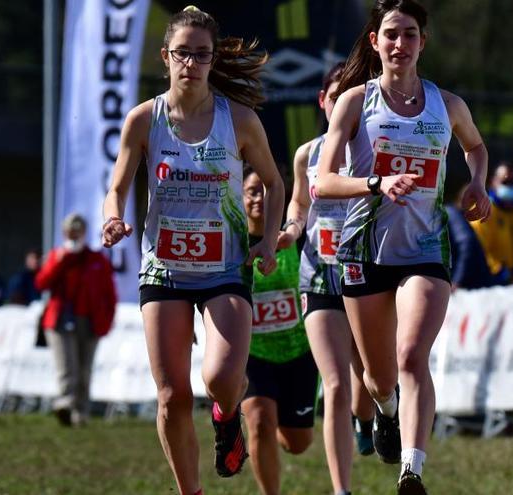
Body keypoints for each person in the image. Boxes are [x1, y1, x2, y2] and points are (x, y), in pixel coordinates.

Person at [100, 6, 284, 494]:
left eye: (201, 55)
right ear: (166, 57)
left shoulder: (238, 120)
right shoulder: (145, 119)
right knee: (171, 396)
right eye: (182, 53)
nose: (191, 63)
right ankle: (191, 491)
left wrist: (267, 239)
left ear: (211, 60)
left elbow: (272, 180)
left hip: (224, 265)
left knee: (223, 377)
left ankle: (227, 417)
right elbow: (116, 185)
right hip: (163, 269)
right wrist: (112, 216)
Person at [314, 1, 491, 493]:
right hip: (364, 250)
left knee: (413, 354)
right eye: (391, 34)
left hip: (424, 249)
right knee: (377, 376)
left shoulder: (447, 104)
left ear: (422, 43)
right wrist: (376, 182)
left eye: (410, 34)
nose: (400, 44)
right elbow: (323, 182)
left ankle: (411, 469)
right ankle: (385, 412)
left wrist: (478, 184)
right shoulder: (354, 102)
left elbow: (475, 146)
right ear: (375, 42)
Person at [276, 62, 376, 495]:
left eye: (352, 97)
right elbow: (299, 205)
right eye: (336, 97)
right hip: (319, 278)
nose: (342, 106)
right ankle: (341, 490)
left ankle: (371, 416)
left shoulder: (377, 150)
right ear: (324, 102)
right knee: (333, 384)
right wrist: (291, 230)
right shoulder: (308, 154)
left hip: (367, 276)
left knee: (372, 380)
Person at [239, 167, 318, 495]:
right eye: (251, 191)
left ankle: (281, 430)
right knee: (259, 421)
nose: (259, 198)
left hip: (299, 354)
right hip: (252, 356)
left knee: (297, 443)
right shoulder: (232, 243)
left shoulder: (293, 241)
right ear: (240, 196)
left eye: (266, 191)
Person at [35, 213, 117, 427]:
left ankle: (81, 412)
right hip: (60, 320)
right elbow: (41, 283)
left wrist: (107, 320)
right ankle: (66, 404)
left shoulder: (96, 259)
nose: (74, 235)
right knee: (66, 366)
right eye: (71, 231)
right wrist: (60, 261)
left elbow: (109, 293)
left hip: (89, 321)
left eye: (78, 231)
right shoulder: (57, 256)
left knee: (84, 369)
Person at [470, 161, 513, 285]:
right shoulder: (482, 211)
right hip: (492, 282)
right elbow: (478, 250)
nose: (510, 186)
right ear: (493, 182)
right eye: (505, 182)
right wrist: (499, 271)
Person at [446, 184, 492, 291]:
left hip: (469, 285)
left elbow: (467, 242)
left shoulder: (456, 215)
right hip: (476, 282)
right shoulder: (454, 214)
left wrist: (457, 281)